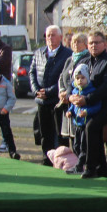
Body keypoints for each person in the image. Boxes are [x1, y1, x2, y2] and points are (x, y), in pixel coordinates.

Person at [30, 25, 72, 166]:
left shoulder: (67, 54)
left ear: (60, 37)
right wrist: (37, 90)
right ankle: (46, 158)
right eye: (48, 35)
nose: (50, 38)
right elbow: (32, 73)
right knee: (44, 132)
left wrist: (49, 91)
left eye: (53, 35)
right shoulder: (39, 53)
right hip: (41, 101)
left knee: (59, 133)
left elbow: (65, 78)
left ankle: (61, 160)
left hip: (56, 100)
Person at [72, 31, 107, 178]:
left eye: (97, 42)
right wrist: (71, 97)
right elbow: (73, 81)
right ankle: (101, 169)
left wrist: (87, 100)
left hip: (106, 105)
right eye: (91, 43)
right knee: (84, 127)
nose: (94, 45)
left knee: (91, 127)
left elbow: (106, 87)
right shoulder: (84, 61)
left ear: (105, 44)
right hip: (86, 106)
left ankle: (90, 167)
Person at [58, 33, 90, 153]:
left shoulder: (87, 59)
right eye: (73, 42)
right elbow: (62, 77)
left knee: (80, 138)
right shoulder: (69, 59)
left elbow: (79, 80)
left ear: (85, 44)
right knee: (71, 137)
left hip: (78, 100)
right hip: (67, 101)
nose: (75, 44)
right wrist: (62, 92)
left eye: (78, 42)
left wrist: (69, 94)